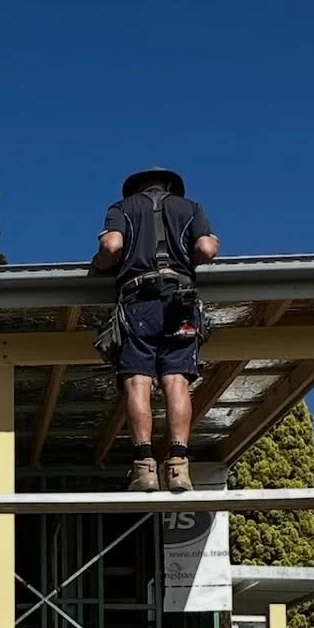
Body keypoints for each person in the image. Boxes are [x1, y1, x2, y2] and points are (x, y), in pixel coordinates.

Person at [91, 167, 219, 494]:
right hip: (182, 300)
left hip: (139, 301)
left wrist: (100, 265)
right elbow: (205, 249)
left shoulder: (121, 209)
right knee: (176, 380)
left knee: (138, 381)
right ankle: (178, 466)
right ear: (171, 187)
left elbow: (112, 247)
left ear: (134, 189)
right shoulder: (191, 208)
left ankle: (144, 467)